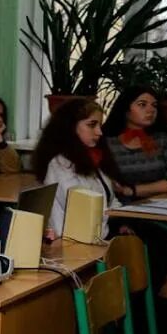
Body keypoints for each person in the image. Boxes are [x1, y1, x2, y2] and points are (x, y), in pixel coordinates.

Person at [102, 87, 167, 334]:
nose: (150, 110)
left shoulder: (164, 139)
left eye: (154, 105)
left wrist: (133, 189)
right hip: (121, 218)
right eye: (142, 104)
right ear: (126, 108)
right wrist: (125, 197)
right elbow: (106, 183)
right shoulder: (107, 141)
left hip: (160, 218)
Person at [32, 98, 118, 241]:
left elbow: (111, 200)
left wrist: (122, 214)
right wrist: (114, 213)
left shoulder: (92, 158)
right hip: (70, 244)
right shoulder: (59, 164)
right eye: (92, 125)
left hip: (97, 238)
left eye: (100, 125)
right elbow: (80, 208)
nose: (99, 132)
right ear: (70, 127)